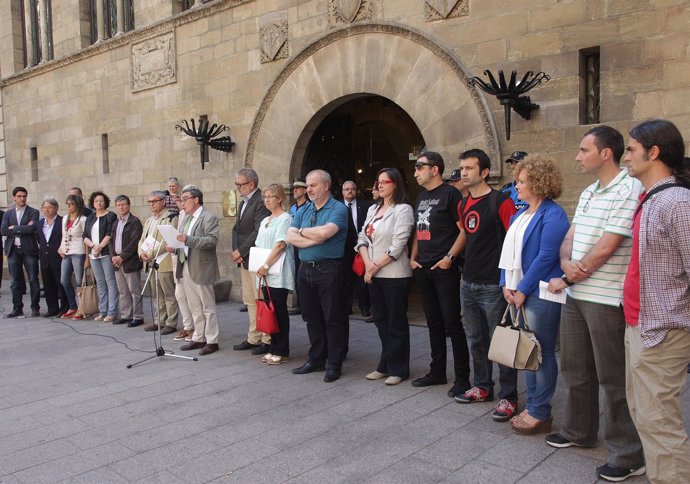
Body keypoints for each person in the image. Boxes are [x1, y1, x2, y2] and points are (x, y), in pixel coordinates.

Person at [545, 125, 645, 482]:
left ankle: (628, 454)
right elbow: (571, 236)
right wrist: (566, 261)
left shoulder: (630, 187)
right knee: (576, 369)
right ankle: (579, 431)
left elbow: (610, 244)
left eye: (584, 150)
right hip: (577, 293)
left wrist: (572, 273)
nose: (577, 156)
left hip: (606, 297)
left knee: (614, 378)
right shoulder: (589, 190)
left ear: (606, 153)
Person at [623, 119, 690, 484]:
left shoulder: (677, 201)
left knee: (659, 420)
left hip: (663, 329)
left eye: (631, 149)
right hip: (639, 323)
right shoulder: (648, 199)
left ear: (654, 152)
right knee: (644, 413)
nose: (625, 156)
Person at [498, 159, 569, 434]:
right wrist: (505, 283)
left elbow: (546, 256)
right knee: (527, 353)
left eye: (522, 181)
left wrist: (522, 289)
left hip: (537, 293)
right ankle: (535, 405)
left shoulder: (554, 214)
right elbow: (507, 253)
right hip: (517, 293)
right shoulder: (521, 215)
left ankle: (540, 410)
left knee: (541, 352)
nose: (517, 185)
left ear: (539, 183)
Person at [453, 149, 518, 422]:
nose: (463, 173)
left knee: (500, 342)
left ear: (484, 172)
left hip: (494, 285)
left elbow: (514, 242)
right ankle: (482, 386)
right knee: (476, 339)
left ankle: (509, 396)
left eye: (469, 168)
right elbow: (466, 236)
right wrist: (451, 258)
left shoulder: (500, 201)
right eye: (462, 168)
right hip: (468, 282)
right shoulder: (463, 204)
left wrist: (509, 282)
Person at [409, 151, 471, 398]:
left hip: (443, 269)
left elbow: (464, 230)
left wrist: (450, 258)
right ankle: (437, 371)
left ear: (435, 169)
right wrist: (413, 257)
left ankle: (463, 377)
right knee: (432, 321)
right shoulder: (421, 197)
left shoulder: (451, 194)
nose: (415, 173)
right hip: (423, 268)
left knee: (452, 322)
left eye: (419, 167)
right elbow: (418, 230)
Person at [286, 169, 349, 382]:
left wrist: (302, 232)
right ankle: (316, 359)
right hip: (305, 269)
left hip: (328, 270)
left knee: (333, 318)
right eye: (307, 186)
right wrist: (312, 237)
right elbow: (289, 236)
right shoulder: (304, 210)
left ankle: (334, 363)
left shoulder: (338, 208)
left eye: (313, 185)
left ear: (326, 186)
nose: (308, 189)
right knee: (311, 317)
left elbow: (326, 233)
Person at [356, 168, 414, 385]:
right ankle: (385, 363)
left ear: (395, 184)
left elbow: (398, 245)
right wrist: (368, 265)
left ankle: (399, 368)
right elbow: (362, 237)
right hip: (374, 273)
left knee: (395, 322)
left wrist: (373, 267)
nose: (379, 185)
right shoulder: (373, 208)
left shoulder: (403, 210)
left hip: (394, 274)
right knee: (380, 319)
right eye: (377, 181)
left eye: (384, 181)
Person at [176, 186, 221, 356]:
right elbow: (182, 240)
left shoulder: (208, 217)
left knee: (207, 306)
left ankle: (212, 340)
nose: (182, 202)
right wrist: (176, 246)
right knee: (194, 304)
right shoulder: (186, 218)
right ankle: (199, 337)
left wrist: (188, 239)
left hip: (201, 266)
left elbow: (212, 240)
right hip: (186, 263)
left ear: (196, 199)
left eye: (185, 198)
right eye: (181, 199)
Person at [232, 168, 271, 354]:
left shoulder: (260, 202)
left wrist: (241, 251)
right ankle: (253, 337)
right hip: (244, 259)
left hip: (255, 258)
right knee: (250, 300)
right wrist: (236, 251)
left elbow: (258, 231)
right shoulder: (243, 203)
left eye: (240, 184)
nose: (238, 188)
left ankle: (266, 338)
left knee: (260, 299)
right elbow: (236, 229)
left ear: (251, 184)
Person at [254, 183, 295, 364]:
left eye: (271, 196)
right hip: (264, 272)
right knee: (269, 310)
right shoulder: (265, 220)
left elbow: (280, 244)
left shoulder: (285, 218)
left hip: (277, 271)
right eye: (265, 197)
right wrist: (259, 266)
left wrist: (265, 264)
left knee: (279, 310)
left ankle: (282, 349)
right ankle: (273, 346)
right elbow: (259, 245)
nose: (267, 200)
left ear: (280, 198)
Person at [139, 190, 179, 335]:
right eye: (149, 202)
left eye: (154, 201)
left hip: (164, 260)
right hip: (151, 261)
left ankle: (171, 322)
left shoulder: (171, 217)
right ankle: (159, 320)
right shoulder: (149, 220)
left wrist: (151, 254)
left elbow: (169, 240)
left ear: (163, 202)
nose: (152, 204)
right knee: (156, 294)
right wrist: (141, 252)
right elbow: (142, 239)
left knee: (168, 293)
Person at [1, 187, 40, 318]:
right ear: (14, 197)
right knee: (15, 281)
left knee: (33, 280)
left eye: (24, 196)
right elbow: (4, 231)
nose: (22, 198)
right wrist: (23, 228)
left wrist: (15, 228)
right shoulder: (8, 214)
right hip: (13, 251)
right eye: (19, 196)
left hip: (29, 250)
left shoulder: (33, 212)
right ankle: (17, 308)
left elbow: (32, 228)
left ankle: (35, 308)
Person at [109, 195, 144, 328]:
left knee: (134, 290)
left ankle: (138, 316)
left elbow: (135, 242)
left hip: (130, 261)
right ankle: (126, 315)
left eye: (123, 204)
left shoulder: (135, 222)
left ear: (129, 206)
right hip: (117, 261)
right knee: (123, 290)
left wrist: (121, 256)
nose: (121, 207)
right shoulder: (116, 223)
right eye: (118, 205)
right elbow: (111, 241)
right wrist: (113, 256)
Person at [83, 191, 119, 322]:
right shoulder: (90, 217)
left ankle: (112, 311)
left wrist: (99, 247)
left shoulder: (111, 216)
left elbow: (110, 234)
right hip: (93, 254)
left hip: (105, 253)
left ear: (106, 203)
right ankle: (102, 310)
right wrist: (93, 246)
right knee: (100, 283)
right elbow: (85, 236)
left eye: (101, 201)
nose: (99, 203)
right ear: (93, 203)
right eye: (96, 201)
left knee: (110, 282)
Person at [342, 180, 372, 319]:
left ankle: (364, 307)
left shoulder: (365, 205)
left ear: (356, 190)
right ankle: (346, 307)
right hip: (343, 249)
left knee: (362, 279)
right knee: (345, 279)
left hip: (361, 248)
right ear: (342, 191)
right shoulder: (337, 207)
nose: (350, 191)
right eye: (347, 189)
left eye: (352, 189)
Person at [36, 198, 69, 318]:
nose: (47, 210)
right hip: (45, 258)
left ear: (56, 208)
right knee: (48, 285)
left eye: (49, 207)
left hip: (58, 258)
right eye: (44, 208)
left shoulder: (62, 221)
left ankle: (65, 307)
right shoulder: (39, 223)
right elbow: (39, 240)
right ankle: (52, 308)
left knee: (61, 284)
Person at [58, 194, 88, 320]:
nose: (69, 207)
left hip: (78, 252)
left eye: (72, 204)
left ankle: (82, 308)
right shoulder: (65, 218)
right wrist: (60, 248)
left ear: (78, 205)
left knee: (79, 281)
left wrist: (87, 258)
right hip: (66, 252)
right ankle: (72, 305)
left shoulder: (83, 219)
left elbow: (86, 239)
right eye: (68, 204)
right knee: (64, 280)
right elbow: (63, 235)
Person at [288, 179, 308, 315]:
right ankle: (300, 303)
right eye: (294, 188)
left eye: (299, 188)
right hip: (294, 244)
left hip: (305, 243)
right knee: (296, 272)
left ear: (305, 190)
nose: (295, 190)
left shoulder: (309, 206)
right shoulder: (293, 208)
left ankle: (306, 304)